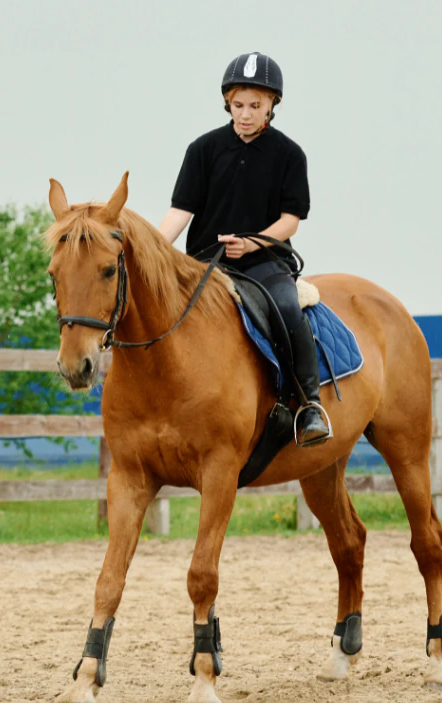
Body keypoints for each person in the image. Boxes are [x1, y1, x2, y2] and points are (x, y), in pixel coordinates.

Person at [158, 51, 331, 447]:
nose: (246, 114)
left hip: (265, 262)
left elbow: (291, 220)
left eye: (256, 105)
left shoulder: (289, 154)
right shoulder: (202, 150)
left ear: (273, 104)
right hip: (204, 262)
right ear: (227, 103)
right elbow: (180, 211)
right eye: (239, 105)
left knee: (289, 308)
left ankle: (309, 406)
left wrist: (251, 242)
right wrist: (149, 252)